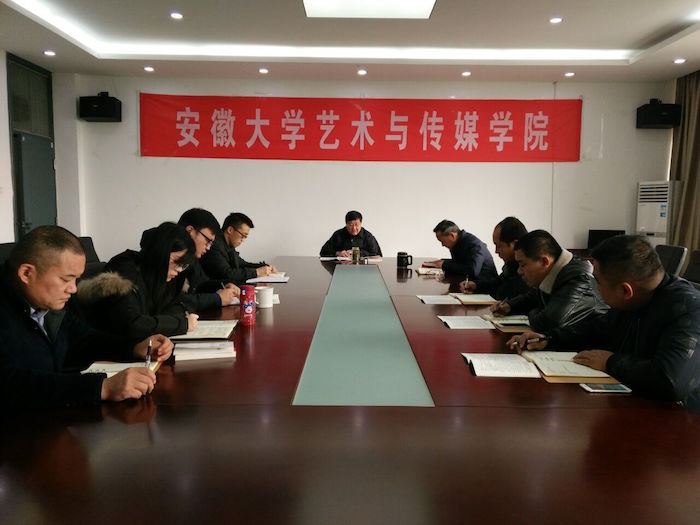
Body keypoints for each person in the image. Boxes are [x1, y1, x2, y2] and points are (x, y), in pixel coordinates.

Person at [510, 235, 700, 411]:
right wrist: (549, 338)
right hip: (634, 404)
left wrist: (610, 362)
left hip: (680, 419)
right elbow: (598, 328)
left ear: (625, 291)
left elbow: (670, 381)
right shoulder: (636, 298)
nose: (595, 288)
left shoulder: (688, 309)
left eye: (598, 282)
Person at [0, 226, 173, 409]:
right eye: (65, 279)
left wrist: (135, 347)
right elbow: (8, 383)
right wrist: (101, 388)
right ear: (27, 273)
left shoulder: (47, 301)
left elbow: (86, 339)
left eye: (76, 279)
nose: (73, 289)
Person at [77, 222, 198, 340]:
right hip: (112, 347)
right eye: (176, 262)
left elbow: (177, 305)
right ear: (159, 252)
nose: (179, 270)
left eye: (183, 265)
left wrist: (177, 320)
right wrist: (181, 324)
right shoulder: (124, 272)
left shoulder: (162, 276)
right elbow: (132, 325)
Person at [491, 229, 608, 331]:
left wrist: (534, 311)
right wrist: (509, 306)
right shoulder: (555, 271)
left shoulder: (579, 279)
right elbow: (532, 297)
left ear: (544, 262)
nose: (519, 271)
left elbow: (547, 324)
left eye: (523, 264)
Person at [177, 208, 240, 310]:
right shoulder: (166, 257)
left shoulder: (192, 258)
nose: (208, 248)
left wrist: (224, 286)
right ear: (190, 231)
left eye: (211, 243)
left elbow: (201, 284)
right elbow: (174, 302)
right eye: (207, 241)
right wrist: (216, 299)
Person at [459, 216, 530, 300]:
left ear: (515, 244)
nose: (496, 251)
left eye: (499, 246)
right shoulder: (511, 265)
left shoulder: (527, 270)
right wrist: (476, 286)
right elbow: (497, 283)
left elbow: (503, 293)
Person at [200, 212, 275, 284]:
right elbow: (227, 274)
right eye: (243, 235)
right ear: (230, 230)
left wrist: (265, 267)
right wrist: (256, 272)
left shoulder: (228, 246)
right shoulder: (214, 246)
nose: (243, 240)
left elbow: (242, 264)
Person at [425, 220, 498, 284]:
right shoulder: (457, 243)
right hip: (468, 284)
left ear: (452, 235)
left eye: (442, 241)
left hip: (485, 288)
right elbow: (460, 263)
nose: (442, 245)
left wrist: (444, 264)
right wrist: (442, 261)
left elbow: (472, 271)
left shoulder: (474, 245)